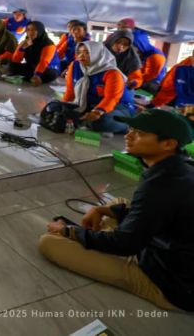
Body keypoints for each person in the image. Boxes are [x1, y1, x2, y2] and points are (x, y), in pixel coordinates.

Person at [39, 109, 194, 312]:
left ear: (168, 144)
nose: (129, 135)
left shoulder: (160, 185)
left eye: (140, 132)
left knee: (49, 243)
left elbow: (125, 244)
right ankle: (102, 234)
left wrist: (68, 231)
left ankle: (102, 242)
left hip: (174, 285)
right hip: (172, 248)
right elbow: (158, 213)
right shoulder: (183, 166)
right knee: (117, 204)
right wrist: (102, 209)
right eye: (131, 129)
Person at [60, 41, 136, 133]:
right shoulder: (75, 66)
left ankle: (128, 125)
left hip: (118, 106)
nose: (81, 55)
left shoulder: (112, 73)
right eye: (79, 52)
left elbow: (111, 98)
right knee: (61, 112)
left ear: (97, 54)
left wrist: (97, 112)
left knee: (101, 122)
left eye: (87, 52)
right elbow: (70, 90)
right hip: (91, 105)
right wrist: (63, 106)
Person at [118, 18, 167, 94]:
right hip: (141, 80)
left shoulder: (156, 56)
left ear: (140, 44)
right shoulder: (139, 54)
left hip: (153, 84)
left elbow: (150, 76)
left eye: (133, 45)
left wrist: (134, 81)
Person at [6, 20, 61, 85]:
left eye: (33, 30)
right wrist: (22, 49)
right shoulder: (26, 42)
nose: (30, 32)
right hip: (32, 67)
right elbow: (15, 60)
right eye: (28, 30)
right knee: (12, 66)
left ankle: (33, 77)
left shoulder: (48, 44)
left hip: (49, 69)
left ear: (40, 30)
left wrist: (37, 75)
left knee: (49, 74)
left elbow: (44, 62)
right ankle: (31, 78)